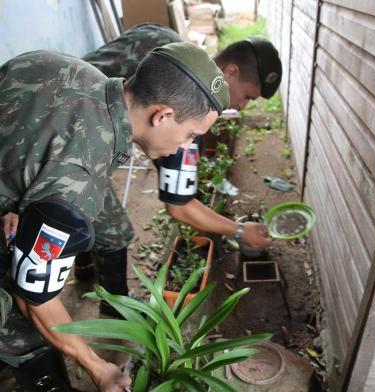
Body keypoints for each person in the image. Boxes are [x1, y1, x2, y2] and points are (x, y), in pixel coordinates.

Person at [0, 42, 232, 391]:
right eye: (191, 135)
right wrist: (98, 367)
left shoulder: (62, 65)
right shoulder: (77, 184)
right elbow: (34, 296)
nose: (186, 147)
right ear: (162, 115)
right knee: (22, 330)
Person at [76, 23, 281, 307]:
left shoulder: (162, 38)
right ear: (230, 72)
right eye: (247, 96)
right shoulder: (184, 114)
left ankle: (83, 264)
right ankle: (117, 307)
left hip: (63, 100)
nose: (243, 106)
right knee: (113, 229)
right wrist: (239, 230)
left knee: (84, 210)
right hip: (77, 145)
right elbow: (180, 205)